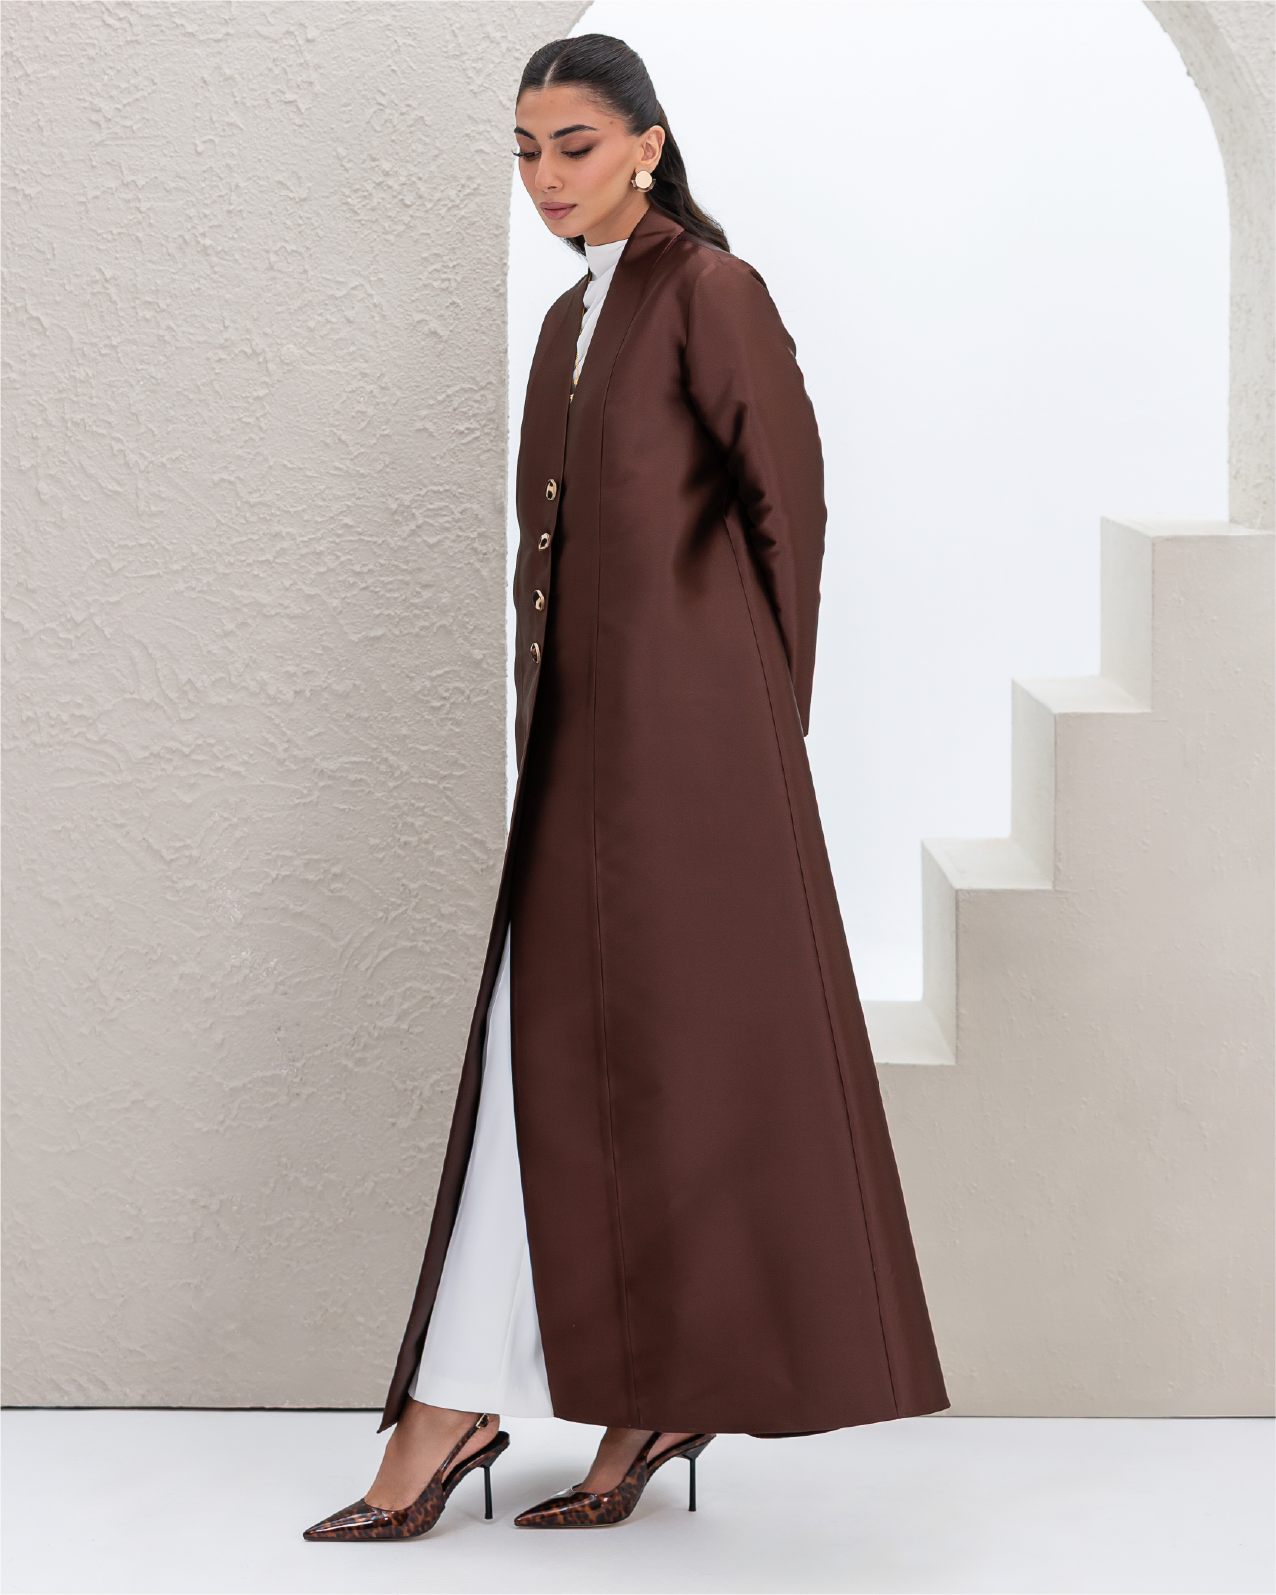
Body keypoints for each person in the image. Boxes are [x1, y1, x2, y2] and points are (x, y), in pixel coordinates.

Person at [304, 32, 947, 1543]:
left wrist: (751, 737)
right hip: (581, 755)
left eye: (575, 145)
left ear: (649, 144)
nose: (545, 176)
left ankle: (475, 1410)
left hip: (692, 761)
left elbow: (789, 509)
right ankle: (597, 1394)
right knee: (559, 1057)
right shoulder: (567, 319)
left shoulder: (711, 291)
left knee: (655, 1062)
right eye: (525, 150)